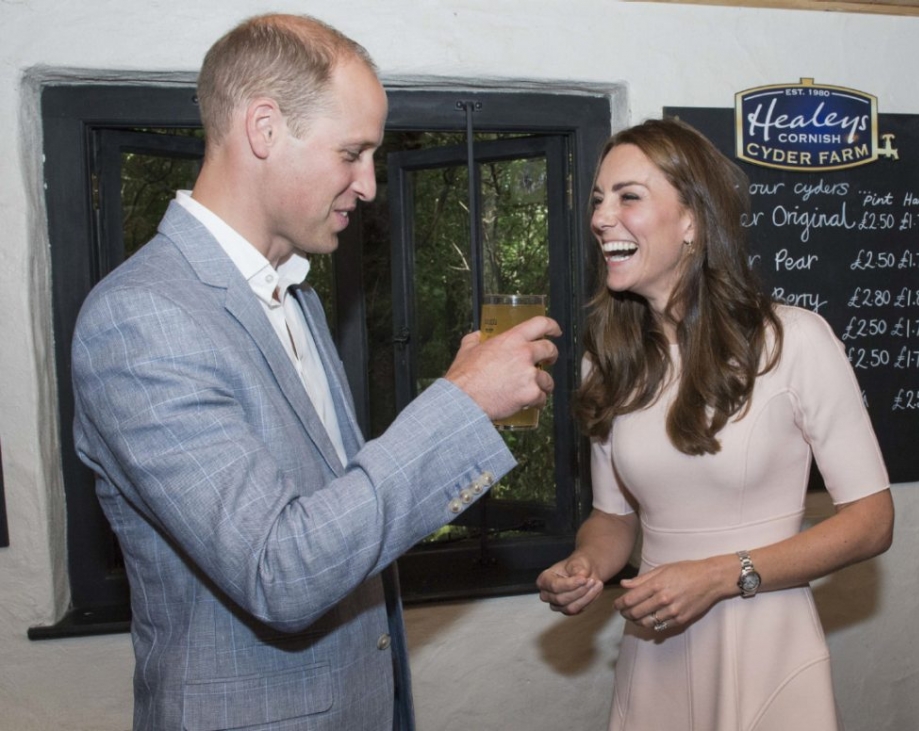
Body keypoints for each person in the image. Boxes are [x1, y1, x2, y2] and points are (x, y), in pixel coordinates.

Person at [71, 13, 560, 731]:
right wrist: (459, 404)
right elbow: (280, 569)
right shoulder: (141, 319)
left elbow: (336, 517)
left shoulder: (293, 294)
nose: (367, 185)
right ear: (264, 129)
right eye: (352, 153)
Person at [536, 118, 893, 731]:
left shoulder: (794, 340)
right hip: (656, 644)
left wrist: (721, 575)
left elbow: (872, 521)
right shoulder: (611, 357)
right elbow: (615, 518)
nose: (600, 218)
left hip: (766, 640)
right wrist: (587, 565)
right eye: (598, 200)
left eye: (628, 197)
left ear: (692, 222)